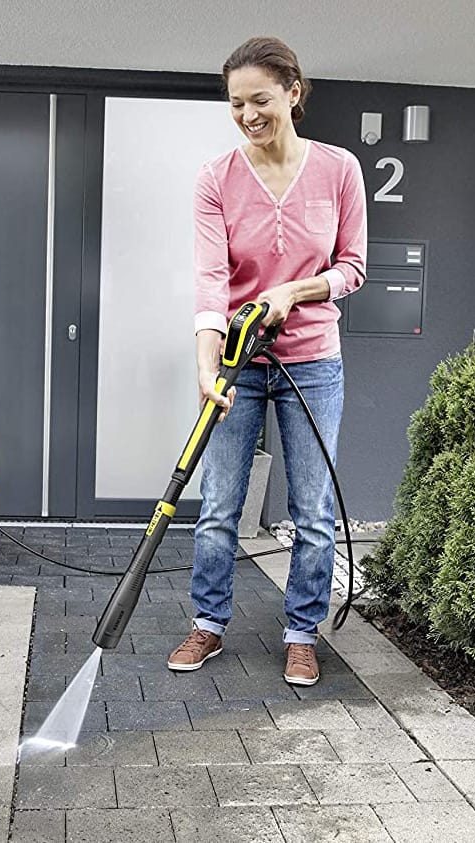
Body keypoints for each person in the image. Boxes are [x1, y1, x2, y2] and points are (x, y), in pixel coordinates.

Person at [167, 36, 367, 686]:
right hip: (238, 360)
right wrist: (206, 364)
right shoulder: (216, 180)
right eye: (235, 104)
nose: (248, 114)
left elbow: (353, 269)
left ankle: (301, 631)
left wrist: (294, 290)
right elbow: (209, 282)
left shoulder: (339, 170)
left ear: (293, 92)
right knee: (220, 500)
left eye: (260, 99)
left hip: (313, 361)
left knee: (311, 508)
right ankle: (208, 623)